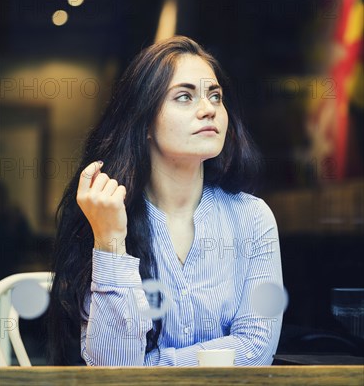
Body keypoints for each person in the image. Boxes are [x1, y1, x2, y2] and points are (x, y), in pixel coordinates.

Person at [48, 36, 283, 366]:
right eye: (185, 97)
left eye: (215, 96)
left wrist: (152, 367)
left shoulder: (253, 218)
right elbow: (111, 370)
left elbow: (256, 349)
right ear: (145, 121)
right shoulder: (106, 214)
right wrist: (110, 242)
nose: (208, 109)